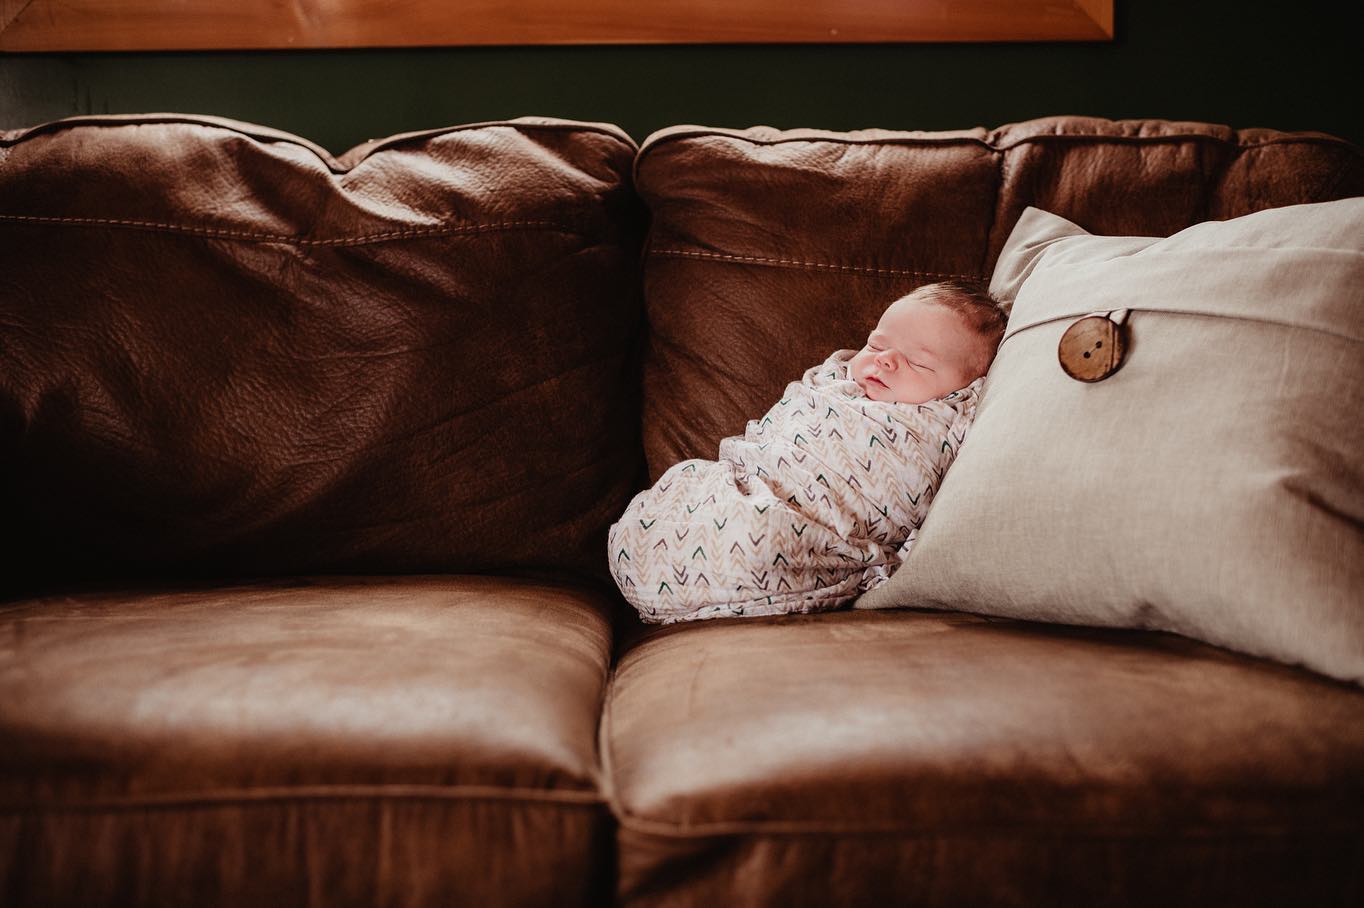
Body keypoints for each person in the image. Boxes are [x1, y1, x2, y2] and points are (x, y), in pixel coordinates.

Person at [608, 280, 1007, 624]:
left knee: (761, 541)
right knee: (676, 497)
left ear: (962, 392)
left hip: (812, 524)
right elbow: (777, 431)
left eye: (917, 363)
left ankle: (706, 569)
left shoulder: (938, 428)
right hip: (755, 482)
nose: (883, 360)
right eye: (876, 344)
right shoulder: (831, 389)